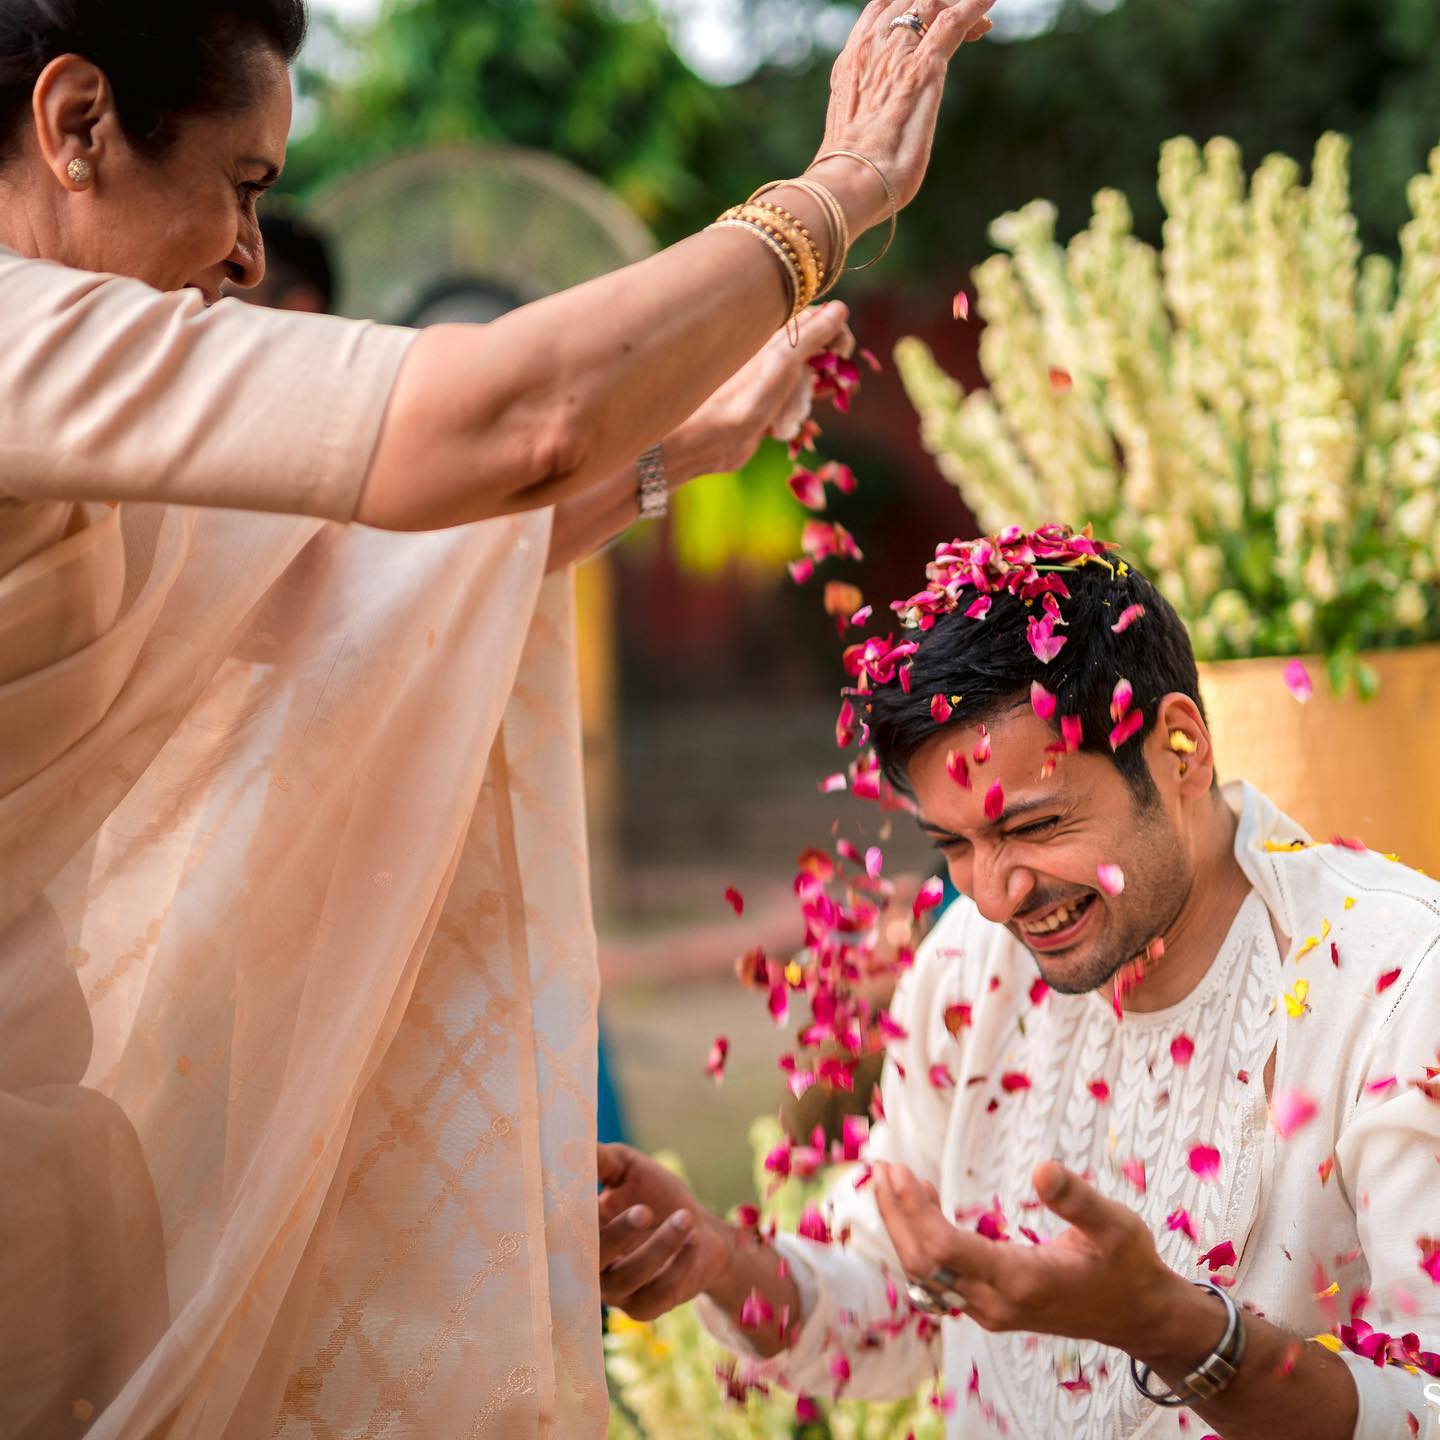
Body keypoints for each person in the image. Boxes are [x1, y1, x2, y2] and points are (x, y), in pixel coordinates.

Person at [0, 0, 999, 1436]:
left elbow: (345, 583)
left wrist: (678, 449)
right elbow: (509, 419)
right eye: (242, 183)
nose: (247, 254)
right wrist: (831, 197)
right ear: (78, 123)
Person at [597, 527, 1440, 1440]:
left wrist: (1167, 1327)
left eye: (1034, 827)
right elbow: (903, 1292)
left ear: (1182, 750)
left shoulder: (1396, 987)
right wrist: (719, 1259)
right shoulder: (968, 959)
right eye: (955, 846)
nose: (996, 896)